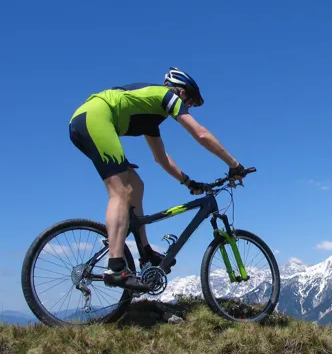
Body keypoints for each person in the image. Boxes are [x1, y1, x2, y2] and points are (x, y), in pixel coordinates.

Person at [68, 67, 247, 292]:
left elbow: (160, 159)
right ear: (180, 92)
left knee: (136, 186)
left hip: (87, 121)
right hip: (95, 119)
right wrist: (234, 164)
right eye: (190, 101)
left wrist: (188, 182)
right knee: (120, 192)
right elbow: (200, 134)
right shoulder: (166, 96)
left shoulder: (151, 117)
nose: (188, 107)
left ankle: (145, 253)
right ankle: (115, 267)